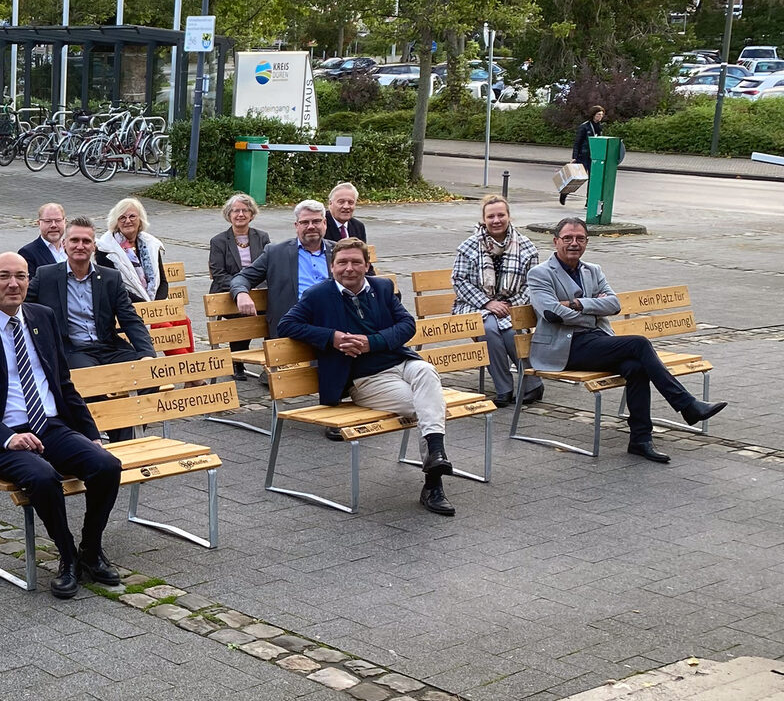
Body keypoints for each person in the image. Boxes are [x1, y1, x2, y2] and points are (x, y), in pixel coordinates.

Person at [0, 253, 124, 600]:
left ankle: (90, 548)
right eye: (4, 276)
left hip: (49, 425)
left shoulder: (42, 317)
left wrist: (91, 434)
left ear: (29, 281)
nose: (13, 284)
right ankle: (67, 556)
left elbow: (63, 382)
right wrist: (8, 437)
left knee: (106, 465)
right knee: (42, 476)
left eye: (21, 276)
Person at [276, 239, 457, 517]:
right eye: (342, 263)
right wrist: (332, 338)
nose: (349, 268)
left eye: (356, 262)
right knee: (428, 405)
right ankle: (434, 483)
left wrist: (372, 342)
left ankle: (436, 455)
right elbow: (286, 324)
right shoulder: (318, 294)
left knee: (426, 371)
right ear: (332, 266)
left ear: (367, 265)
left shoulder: (382, 287)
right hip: (366, 380)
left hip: (401, 363)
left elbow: (407, 324)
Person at [524, 217, 726, 461]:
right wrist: (593, 313)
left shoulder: (593, 270)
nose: (574, 243)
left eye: (580, 238)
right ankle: (687, 404)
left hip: (597, 342)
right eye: (567, 238)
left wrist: (577, 304)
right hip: (564, 348)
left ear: (587, 242)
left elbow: (614, 304)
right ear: (556, 241)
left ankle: (641, 440)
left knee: (636, 366)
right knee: (638, 343)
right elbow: (552, 313)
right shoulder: (540, 273)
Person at [451, 195, 542, 406]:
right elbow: (458, 280)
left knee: (511, 333)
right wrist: (487, 303)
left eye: (501, 215)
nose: (496, 220)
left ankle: (533, 384)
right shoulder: (469, 246)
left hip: (512, 305)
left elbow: (533, 284)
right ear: (484, 219)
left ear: (509, 216)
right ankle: (504, 388)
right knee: (488, 329)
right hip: (475, 305)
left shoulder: (527, 247)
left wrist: (511, 305)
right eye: (490, 216)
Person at [31, 218, 156, 370]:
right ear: (64, 244)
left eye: (86, 241)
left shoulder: (111, 278)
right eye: (74, 240)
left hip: (109, 348)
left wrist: (147, 353)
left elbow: (130, 319)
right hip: (74, 352)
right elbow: (21, 306)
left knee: (145, 371)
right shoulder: (45, 276)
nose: (80, 246)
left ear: (94, 246)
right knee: (91, 377)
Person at [232, 199, 331, 331]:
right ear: (296, 226)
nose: (311, 226)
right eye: (305, 222)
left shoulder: (339, 252)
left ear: (324, 223)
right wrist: (241, 293)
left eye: (316, 221)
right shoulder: (275, 253)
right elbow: (242, 278)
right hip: (294, 326)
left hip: (332, 321)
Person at [97, 198, 171, 302]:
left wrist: (156, 305)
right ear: (116, 222)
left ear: (140, 219)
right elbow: (113, 287)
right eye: (122, 218)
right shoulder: (105, 248)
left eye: (132, 216)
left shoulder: (151, 244)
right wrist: (145, 305)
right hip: (125, 306)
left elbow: (162, 281)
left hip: (155, 306)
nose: (127, 221)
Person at [208, 193, 270, 295]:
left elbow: (269, 269)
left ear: (251, 215)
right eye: (236, 211)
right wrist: (241, 288)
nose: (241, 214)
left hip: (258, 291)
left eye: (245, 210)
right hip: (227, 293)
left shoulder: (262, 237)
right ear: (229, 215)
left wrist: (256, 288)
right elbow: (219, 275)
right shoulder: (218, 241)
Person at [564, 107, 605, 205]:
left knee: (593, 179)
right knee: (576, 177)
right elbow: (577, 142)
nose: (600, 116)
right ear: (593, 115)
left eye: (601, 115)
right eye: (598, 114)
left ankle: (589, 201)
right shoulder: (584, 126)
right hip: (583, 155)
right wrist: (574, 156)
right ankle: (564, 193)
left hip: (594, 156)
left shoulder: (599, 127)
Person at [17, 203, 70, 275]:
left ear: (65, 222)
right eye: (48, 221)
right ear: (39, 223)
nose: (53, 225)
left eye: (58, 220)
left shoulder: (73, 248)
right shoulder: (27, 253)